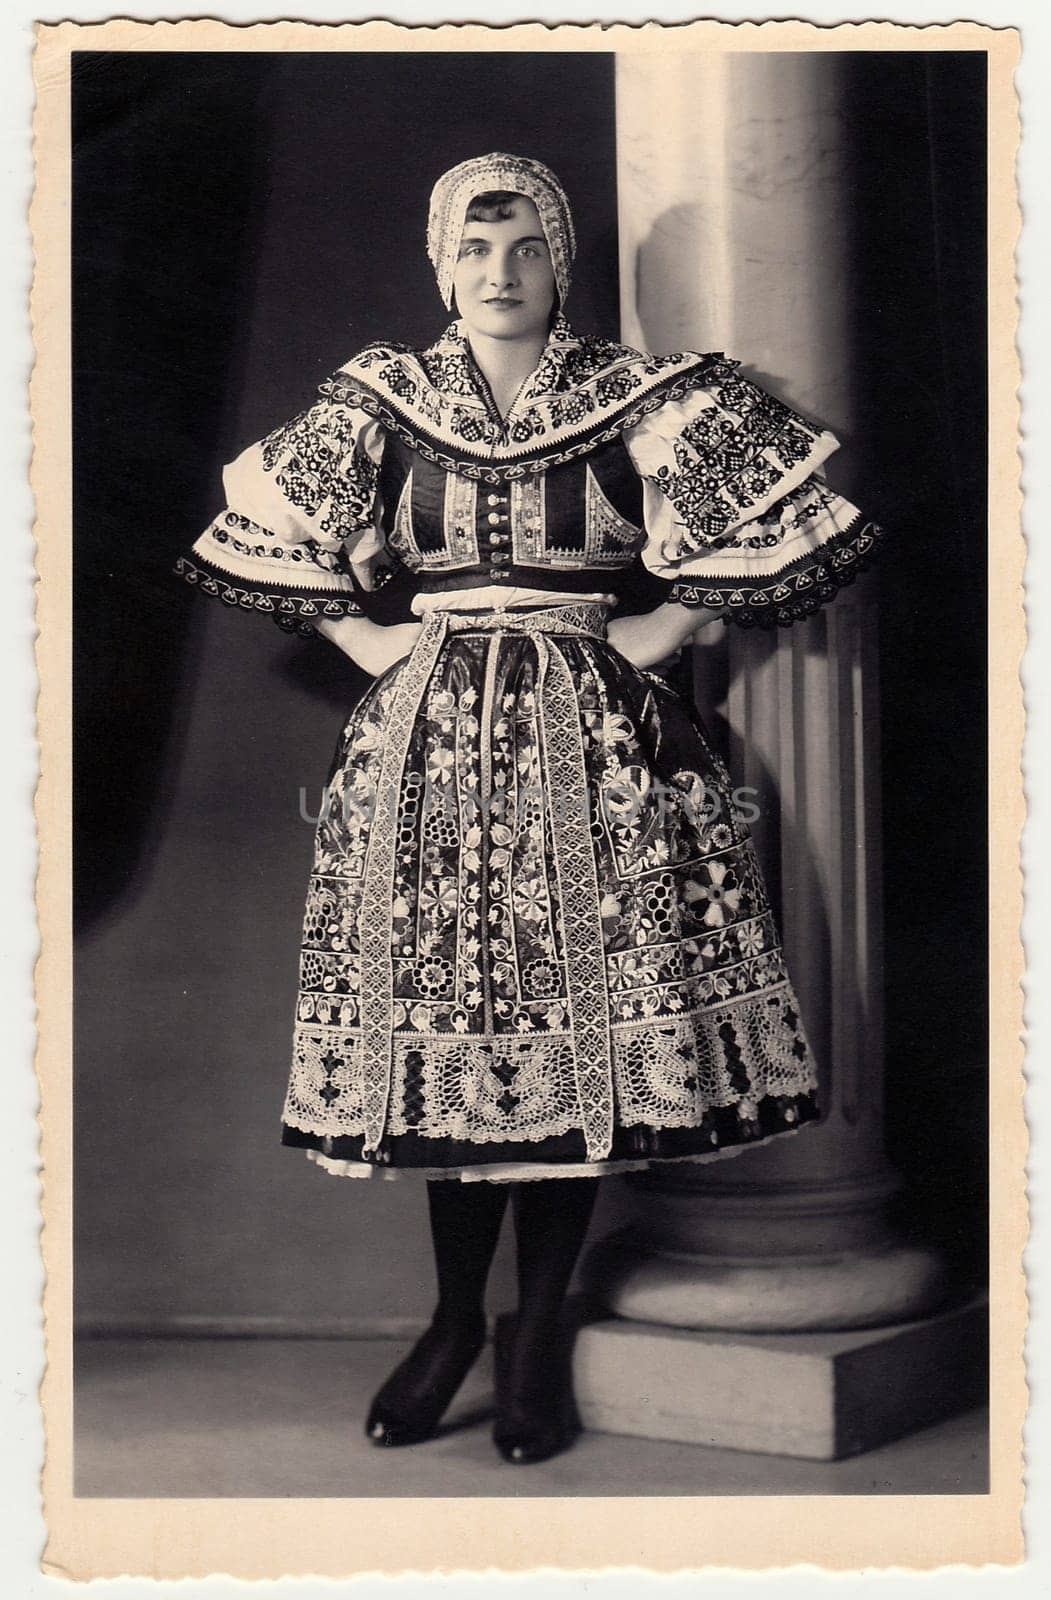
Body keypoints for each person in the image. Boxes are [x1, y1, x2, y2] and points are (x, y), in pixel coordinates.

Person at [178, 152, 885, 1465]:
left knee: (577, 1042)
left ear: (562, 262)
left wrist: (664, 625)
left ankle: (536, 1334)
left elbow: (786, 534)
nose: (498, 278)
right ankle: (455, 1321)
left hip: (597, 746)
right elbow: (273, 544)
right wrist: (372, 646)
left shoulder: (634, 396)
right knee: (454, 1041)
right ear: (440, 264)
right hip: (430, 754)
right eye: (475, 252)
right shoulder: (381, 398)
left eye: (525, 252)